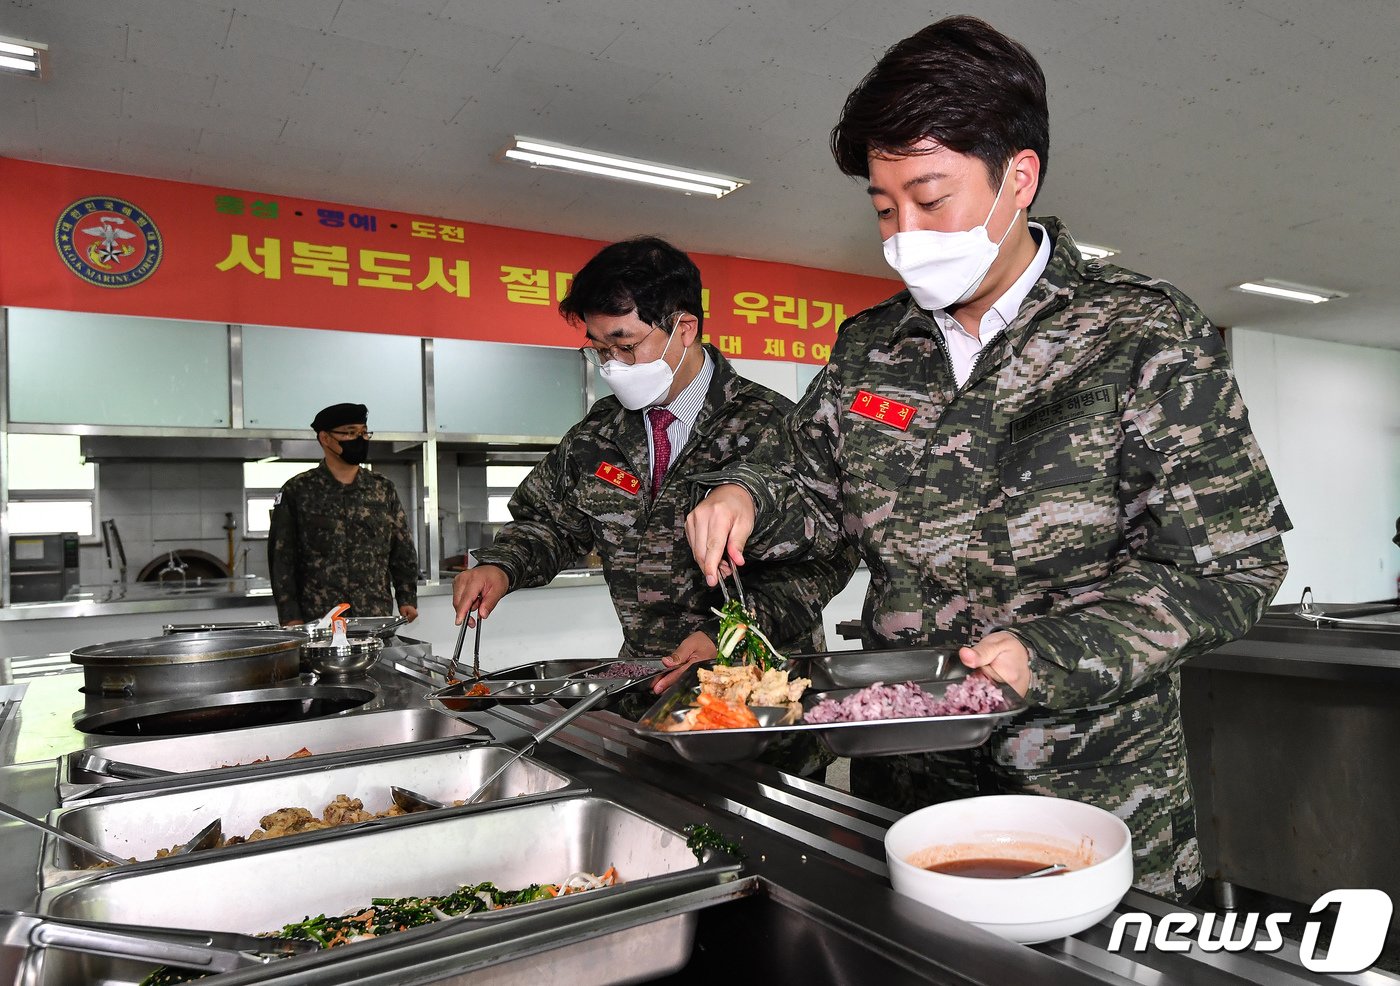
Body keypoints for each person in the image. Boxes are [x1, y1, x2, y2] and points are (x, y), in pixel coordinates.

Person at [684, 16, 1290, 901]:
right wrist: (747, 495)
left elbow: (1231, 567)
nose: (904, 234)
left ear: (1019, 178)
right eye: (885, 208)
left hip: (1088, 783)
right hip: (908, 784)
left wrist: (1046, 652)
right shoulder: (871, 349)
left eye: (932, 199)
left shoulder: (1141, 334)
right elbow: (809, 489)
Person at [451, 237, 856, 773]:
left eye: (625, 344)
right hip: (647, 702)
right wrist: (502, 566)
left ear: (683, 329)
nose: (611, 364)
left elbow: (827, 556)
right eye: (598, 348)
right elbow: (548, 522)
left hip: (759, 712)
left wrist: (729, 635)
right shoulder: (599, 432)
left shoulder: (774, 425)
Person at [268, 402, 419, 627]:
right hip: (319, 618)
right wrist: (290, 615)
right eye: (350, 433)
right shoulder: (298, 490)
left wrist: (407, 597)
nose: (359, 439)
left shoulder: (382, 489)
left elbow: (402, 548)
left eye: (363, 432)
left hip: (374, 615)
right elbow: (282, 557)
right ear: (325, 438)